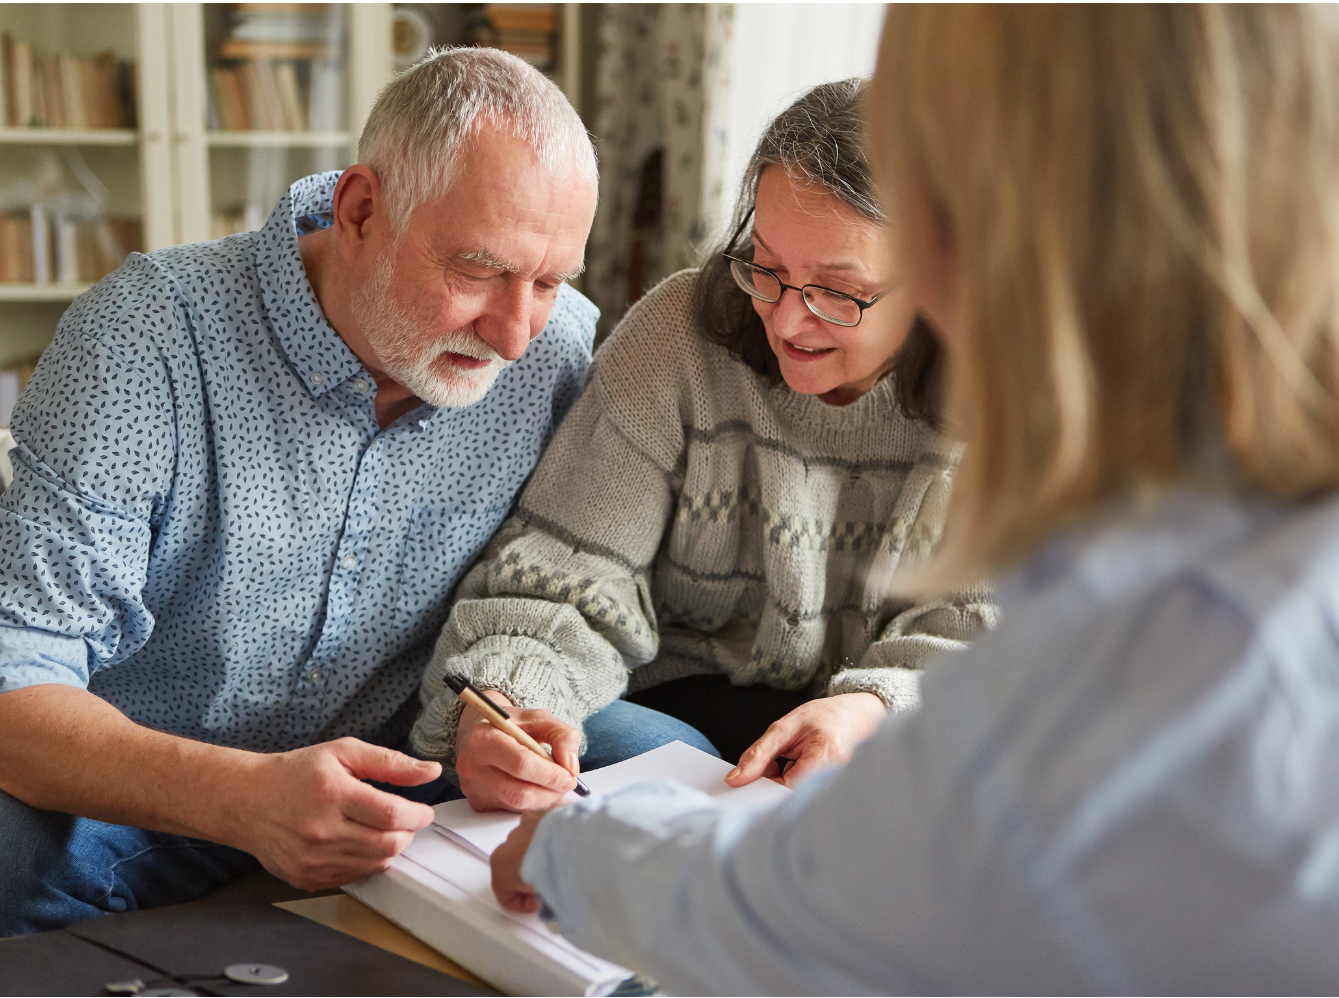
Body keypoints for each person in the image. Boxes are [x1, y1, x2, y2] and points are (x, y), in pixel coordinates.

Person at [488, 5, 1339, 993]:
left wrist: (573, 851)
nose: (794, 315)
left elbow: (843, 891)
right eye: (768, 268)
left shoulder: (1152, 623)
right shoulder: (1206, 524)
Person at [0, 48, 600, 945]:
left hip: (408, 766)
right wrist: (243, 798)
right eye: (478, 271)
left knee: (660, 769)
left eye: (550, 281)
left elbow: (545, 587)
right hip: (147, 790)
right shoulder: (146, 336)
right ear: (361, 210)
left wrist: (498, 714)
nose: (516, 335)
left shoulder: (562, 355)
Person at [414, 79, 994, 814]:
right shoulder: (678, 338)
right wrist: (509, 700)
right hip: (670, 716)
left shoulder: (1005, 387)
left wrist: (872, 707)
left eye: (837, 292)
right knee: (605, 747)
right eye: (768, 267)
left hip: (878, 732)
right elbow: (569, 567)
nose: (785, 322)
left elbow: (986, 627)